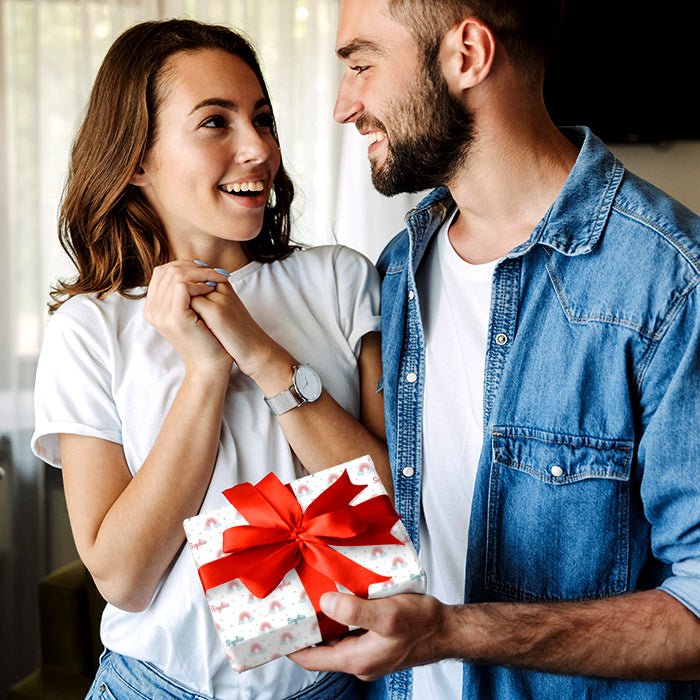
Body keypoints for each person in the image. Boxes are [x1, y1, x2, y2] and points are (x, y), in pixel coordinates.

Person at [290, 0, 700, 697]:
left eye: (361, 64)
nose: (343, 105)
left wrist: (453, 632)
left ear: (468, 56)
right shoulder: (399, 269)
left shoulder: (670, 284)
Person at [30, 18, 391, 700]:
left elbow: (396, 508)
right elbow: (123, 579)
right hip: (153, 687)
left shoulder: (342, 282)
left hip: (335, 687)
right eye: (214, 123)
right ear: (135, 160)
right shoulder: (90, 327)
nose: (258, 149)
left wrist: (261, 355)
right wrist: (204, 373)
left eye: (261, 119)